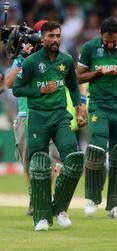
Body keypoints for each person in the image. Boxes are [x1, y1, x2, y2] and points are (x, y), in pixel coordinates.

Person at [13, 21, 86, 231]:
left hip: (60, 116)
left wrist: (79, 106)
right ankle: (42, 216)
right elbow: (17, 89)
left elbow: (73, 85)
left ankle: (60, 209)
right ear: (42, 38)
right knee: (39, 165)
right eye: (51, 36)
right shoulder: (31, 62)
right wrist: (40, 91)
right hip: (38, 117)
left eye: (57, 36)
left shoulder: (66, 59)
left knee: (74, 160)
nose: (55, 40)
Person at [4, 20, 74, 217]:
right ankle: (35, 197)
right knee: (30, 163)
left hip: (53, 113)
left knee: (52, 160)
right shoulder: (27, 58)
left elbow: (73, 81)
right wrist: (21, 58)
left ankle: (42, 198)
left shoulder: (58, 56)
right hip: (28, 115)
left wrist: (80, 103)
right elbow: (9, 84)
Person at [77, 17, 117, 219]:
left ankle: (116, 206)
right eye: (107, 40)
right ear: (100, 35)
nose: (110, 44)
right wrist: (97, 73)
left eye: (114, 41)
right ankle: (92, 198)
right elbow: (77, 76)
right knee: (95, 150)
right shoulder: (90, 48)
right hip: (98, 105)